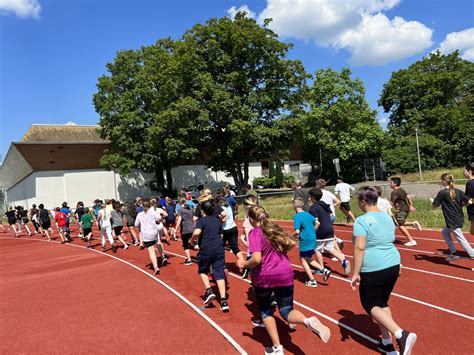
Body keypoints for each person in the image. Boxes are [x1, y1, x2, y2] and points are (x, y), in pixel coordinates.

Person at [238, 205, 330, 354]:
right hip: (285, 273)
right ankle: (307, 321)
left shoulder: (255, 233)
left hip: (265, 277)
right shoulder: (275, 229)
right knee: (287, 310)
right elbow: (290, 243)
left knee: (266, 311)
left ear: (251, 219)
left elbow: (256, 259)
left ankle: (277, 348)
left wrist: (244, 264)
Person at [351, 186, 417, 355]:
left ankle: (401, 334)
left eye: (358, 201)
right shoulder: (388, 217)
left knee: (370, 304)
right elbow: (389, 240)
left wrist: (356, 273)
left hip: (373, 267)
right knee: (382, 303)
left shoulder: (361, 221)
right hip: (393, 264)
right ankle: (387, 344)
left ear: (364, 201)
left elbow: (359, 248)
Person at [190, 201, 229, 312]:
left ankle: (209, 290)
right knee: (219, 272)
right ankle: (223, 300)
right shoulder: (217, 221)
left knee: (203, 270)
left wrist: (192, 241)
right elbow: (221, 235)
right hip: (219, 248)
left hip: (206, 249)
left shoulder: (201, 221)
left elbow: (197, 232)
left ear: (202, 211)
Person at [431, 173, 474, 260]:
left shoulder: (442, 193)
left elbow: (434, 206)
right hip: (458, 217)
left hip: (452, 219)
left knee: (460, 237)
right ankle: (453, 253)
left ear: (444, 181)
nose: (441, 182)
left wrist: (432, 201)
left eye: (441, 180)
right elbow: (470, 201)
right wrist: (460, 205)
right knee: (445, 232)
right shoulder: (458, 191)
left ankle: (472, 254)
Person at [308, 188, 351, 276]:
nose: (308, 198)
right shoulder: (325, 204)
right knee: (330, 248)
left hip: (320, 230)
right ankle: (344, 260)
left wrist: (311, 231)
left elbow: (316, 222)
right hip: (330, 229)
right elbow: (330, 214)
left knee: (317, 249)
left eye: (309, 196)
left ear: (312, 197)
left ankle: (321, 269)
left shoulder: (313, 208)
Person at [293, 198, 330, 287]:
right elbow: (318, 223)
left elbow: (297, 231)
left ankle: (312, 280)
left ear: (295, 206)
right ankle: (323, 270)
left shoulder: (297, 216)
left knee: (303, 259)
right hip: (313, 238)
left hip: (305, 239)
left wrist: (289, 236)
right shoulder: (308, 214)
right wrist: (313, 230)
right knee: (308, 258)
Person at [135, 199, 164, 274]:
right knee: (158, 242)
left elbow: (136, 225)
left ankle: (156, 267)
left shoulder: (140, 214)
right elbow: (160, 218)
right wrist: (156, 221)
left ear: (142, 206)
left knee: (151, 251)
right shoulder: (153, 212)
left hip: (146, 235)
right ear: (150, 205)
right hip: (154, 232)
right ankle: (163, 256)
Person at [389, 177, 421, 247]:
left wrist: (386, 204)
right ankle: (413, 224)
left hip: (401, 210)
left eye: (391, 182)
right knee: (400, 223)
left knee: (400, 225)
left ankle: (411, 240)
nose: (389, 184)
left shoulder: (394, 192)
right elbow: (408, 197)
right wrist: (410, 206)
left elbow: (392, 203)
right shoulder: (402, 190)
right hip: (406, 209)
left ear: (395, 184)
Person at [175, 198, 195, 265]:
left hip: (185, 229)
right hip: (192, 227)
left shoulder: (180, 210)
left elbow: (179, 219)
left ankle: (189, 260)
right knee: (194, 243)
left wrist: (176, 229)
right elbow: (193, 217)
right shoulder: (190, 208)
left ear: (179, 203)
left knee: (185, 245)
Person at [463, 163, 474, 235]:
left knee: (472, 231)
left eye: (464, 171)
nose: (463, 173)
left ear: (469, 171)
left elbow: (471, 200)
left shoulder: (470, 183)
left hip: (473, 211)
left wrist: (459, 205)